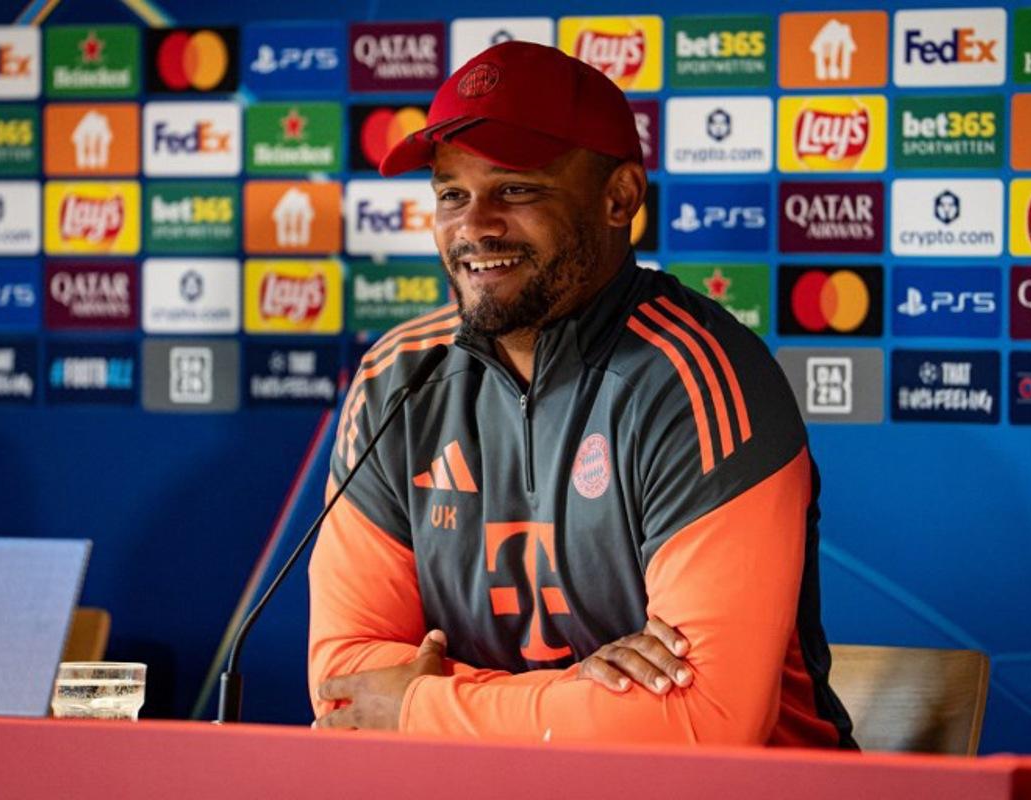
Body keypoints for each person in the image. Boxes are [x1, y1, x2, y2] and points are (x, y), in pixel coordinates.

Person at [308, 41, 855, 748]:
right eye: (451, 194)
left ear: (618, 197)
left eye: (517, 189)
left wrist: (419, 705)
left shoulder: (699, 379)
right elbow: (347, 685)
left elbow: (704, 724)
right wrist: (573, 696)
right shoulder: (398, 378)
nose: (474, 225)